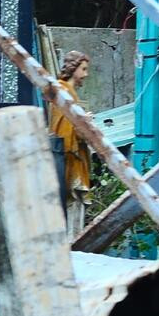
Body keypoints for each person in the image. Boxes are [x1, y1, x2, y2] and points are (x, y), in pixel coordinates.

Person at [49, 50, 94, 236]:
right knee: (72, 201)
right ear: (73, 68)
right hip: (69, 155)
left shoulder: (69, 92)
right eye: (83, 69)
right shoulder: (62, 91)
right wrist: (84, 123)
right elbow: (65, 127)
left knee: (75, 204)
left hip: (75, 155)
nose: (85, 74)